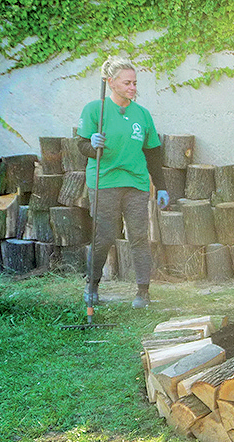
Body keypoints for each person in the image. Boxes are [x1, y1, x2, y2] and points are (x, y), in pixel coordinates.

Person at [77, 55, 169, 308]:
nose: (132, 88)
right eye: (127, 83)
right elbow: (81, 145)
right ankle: (92, 286)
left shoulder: (142, 114)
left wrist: (160, 186)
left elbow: (152, 152)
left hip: (136, 183)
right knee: (103, 236)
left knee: (139, 237)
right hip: (104, 181)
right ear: (111, 82)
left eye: (135, 83)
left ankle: (143, 292)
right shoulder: (95, 110)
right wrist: (90, 143)